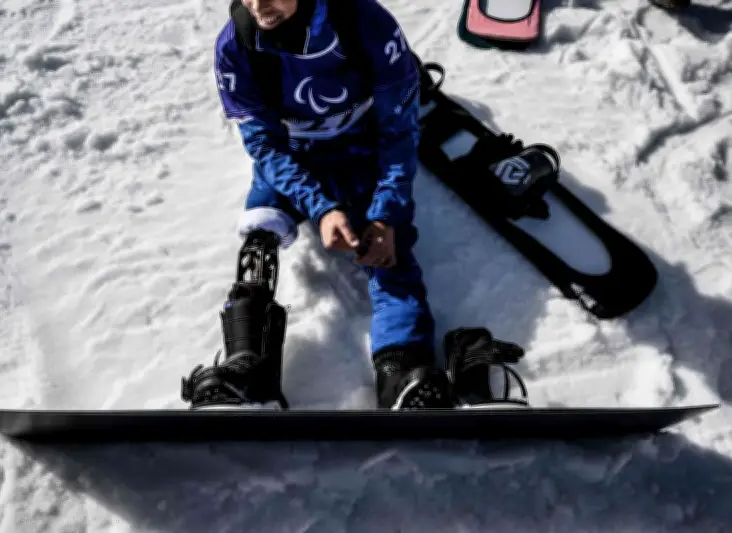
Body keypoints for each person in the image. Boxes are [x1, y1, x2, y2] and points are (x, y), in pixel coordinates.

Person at [180, 0, 528, 410]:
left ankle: (402, 369)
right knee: (259, 241)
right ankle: (248, 367)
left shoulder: (364, 24)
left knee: (387, 255)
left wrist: (385, 215)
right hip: (294, 159)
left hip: (364, 157)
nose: (259, 5)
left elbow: (398, 134)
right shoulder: (237, 44)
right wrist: (321, 207)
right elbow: (264, 146)